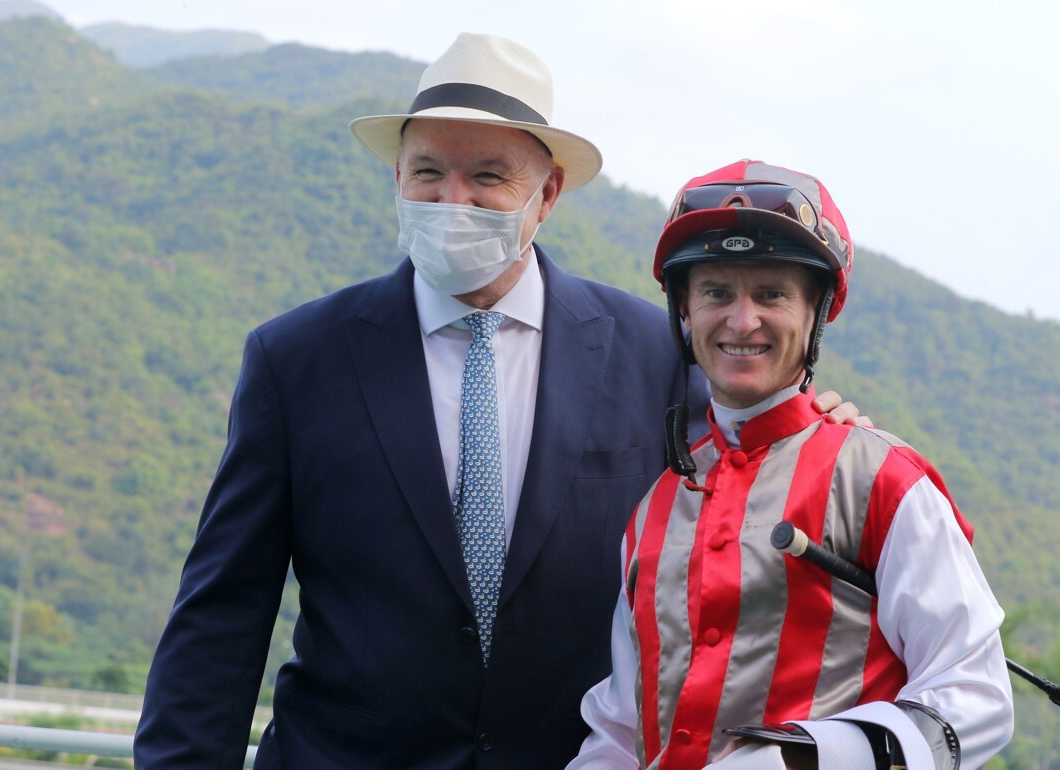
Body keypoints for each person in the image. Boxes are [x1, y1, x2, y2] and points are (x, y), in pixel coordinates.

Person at [133, 35, 863, 770]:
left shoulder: (657, 353)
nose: (454, 200)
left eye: (488, 176)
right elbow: (222, 613)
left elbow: (751, 513)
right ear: (396, 177)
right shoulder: (298, 359)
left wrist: (819, 433)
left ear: (546, 194)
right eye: (428, 172)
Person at [565, 160, 1014, 770]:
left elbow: (975, 698)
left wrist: (797, 762)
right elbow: (621, 727)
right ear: (684, 311)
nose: (741, 320)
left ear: (817, 311)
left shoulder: (881, 479)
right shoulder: (654, 508)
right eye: (716, 293)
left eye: (771, 294)